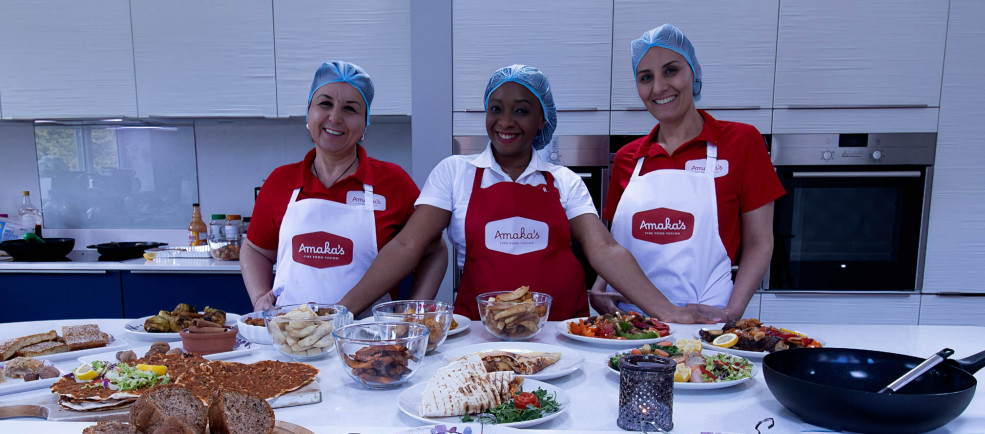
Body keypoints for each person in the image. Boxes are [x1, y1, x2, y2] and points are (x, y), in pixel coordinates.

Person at [339, 64, 681, 321]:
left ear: (541, 121)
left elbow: (604, 249)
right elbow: (405, 245)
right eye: (496, 108)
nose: (505, 121)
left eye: (521, 110)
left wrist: (669, 312)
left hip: (561, 330)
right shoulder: (455, 173)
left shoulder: (564, 181)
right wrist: (340, 312)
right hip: (479, 333)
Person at [591, 23, 785, 324]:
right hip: (629, 326)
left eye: (671, 70)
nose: (658, 87)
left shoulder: (741, 142)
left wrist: (731, 314)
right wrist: (599, 288)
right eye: (646, 78)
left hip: (702, 323)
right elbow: (613, 247)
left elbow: (760, 243)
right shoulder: (629, 157)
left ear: (693, 72)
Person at [241, 61, 447, 312]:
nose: (335, 117)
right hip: (291, 337)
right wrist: (259, 296)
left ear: (364, 123)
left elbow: (434, 251)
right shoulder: (280, 181)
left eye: (350, 109)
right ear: (309, 113)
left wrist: (414, 311)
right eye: (325, 104)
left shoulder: (393, 182)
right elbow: (255, 249)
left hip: (370, 341)